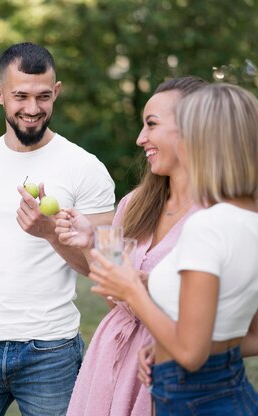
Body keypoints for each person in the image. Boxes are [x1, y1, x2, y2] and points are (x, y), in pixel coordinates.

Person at [0, 42, 115, 416]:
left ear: (57, 92)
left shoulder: (86, 168)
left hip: (52, 352)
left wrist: (49, 233)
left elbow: (108, 266)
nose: (32, 109)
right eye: (20, 96)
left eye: (43, 96)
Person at [92, 83, 258, 415]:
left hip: (192, 402)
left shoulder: (206, 226)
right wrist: (166, 345)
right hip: (233, 393)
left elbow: (191, 353)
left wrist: (133, 289)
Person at [55, 76, 206, 415]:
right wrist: (91, 242)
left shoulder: (217, 216)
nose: (140, 139)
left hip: (167, 363)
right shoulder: (134, 203)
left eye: (151, 125)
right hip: (110, 360)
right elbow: (115, 300)